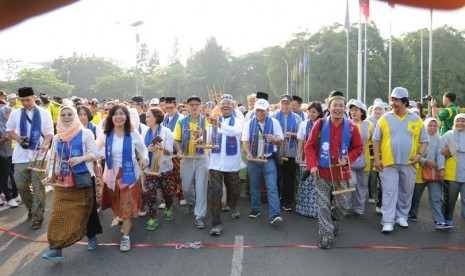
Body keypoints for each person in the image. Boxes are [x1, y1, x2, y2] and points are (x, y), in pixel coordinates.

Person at [41, 106, 102, 260]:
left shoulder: (85, 133)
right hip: (63, 181)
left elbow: (95, 153)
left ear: (74, 116)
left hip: (83, 179)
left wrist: (81, 159)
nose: (66, 117)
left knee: (88, 211)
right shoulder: (57, 137)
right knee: (57, 214)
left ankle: (92, 236)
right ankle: (56, 248)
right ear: (59, 117)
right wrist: (50, 176)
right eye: (63, 115)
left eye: (70, 114)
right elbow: (54, 160)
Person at [304, 90, 363, 249]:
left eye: (341, 106)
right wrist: (313, 165)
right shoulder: (320, 123)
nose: (337, 108)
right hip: (322, 173)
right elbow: (309, 146)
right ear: (329, 107)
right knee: (322, 205)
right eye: (334, 105)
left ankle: (333, 220)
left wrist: (348, 158)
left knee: (343, 205)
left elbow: (358, 147)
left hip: (341, 174)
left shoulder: (351, 127)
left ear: (345, 108)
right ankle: (326, 235)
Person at [373, 87, 429, 234]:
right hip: (388, 163)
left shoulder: (416, 120)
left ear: (404, 102)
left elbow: (424, 140)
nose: (393, 102)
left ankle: (402, 216)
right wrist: (377, 159)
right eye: (392, 99)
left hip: (409, 163)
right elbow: (376, 140)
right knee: (389, 192)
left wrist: (419, 155)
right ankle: (387, 221)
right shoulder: (384, 118)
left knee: (406, 191)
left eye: (396, 100)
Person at [97, 105, 148, 252]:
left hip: (130, 175)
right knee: (117, 202)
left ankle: (126, 237)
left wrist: (144, 159)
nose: (119, 117)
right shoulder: (106, 134)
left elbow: (143, 149)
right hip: (112, 175)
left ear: (127, 117)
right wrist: (89, 159)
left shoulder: (132, 133)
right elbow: (94, 149)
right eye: (115, 114)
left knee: (126, 205)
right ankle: (124, 219)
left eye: (122, 114)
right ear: (110, 117)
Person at [6, 87, 54, 229]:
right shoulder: (15, 113)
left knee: (38, 186)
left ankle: (38, 217)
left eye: (28, 99)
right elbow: (9, 129)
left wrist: (45, 145)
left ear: (34, 98)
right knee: (20, 184)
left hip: (39, 155)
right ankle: (32, 208)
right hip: (21, 154)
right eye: (22, 100)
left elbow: (50, 133)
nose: (25, 103)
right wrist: (19, 140)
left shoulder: (44, 113)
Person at [242, 98, 284, 226]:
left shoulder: (274, 122)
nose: (259, 113)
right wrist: (248, 153)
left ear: (267, 110)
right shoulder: (249, 123)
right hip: (254, 159)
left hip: (268, 159)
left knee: (272, 187)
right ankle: (256, 209)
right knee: (254, 187)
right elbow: (245, 141)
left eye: (262, 110)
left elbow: (280, 141)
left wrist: (275, 139)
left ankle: (275, 214)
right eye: (257, 110)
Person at [208, 97, 243, 236]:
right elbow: (209, 138)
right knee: (216, 193)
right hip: (215, 163)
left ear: (233, 107)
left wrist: (218, 125)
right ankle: (216, 223)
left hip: (231, 163)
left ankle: (233, 206)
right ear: (220, 108)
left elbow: (233, 132)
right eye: (223, 105)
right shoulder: (213, 123)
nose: (225, 106)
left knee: (233, 189)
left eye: (228, 105)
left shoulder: (239, 122)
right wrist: (200, 138)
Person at [173, 95, 209, 229]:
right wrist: (179, 151)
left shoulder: (205, 121)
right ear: (187, 106)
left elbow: (210, 139)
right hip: (187, 159)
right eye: (191, 104)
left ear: (201, 106)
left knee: (201, 187)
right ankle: (189, 201)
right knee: (187, 187)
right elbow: (176, 139)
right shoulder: (181, 122)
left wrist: (202, 134)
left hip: (201, 158)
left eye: (197, 104)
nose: (194, 106)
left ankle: (199, 216)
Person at [408, 118, 447, 229]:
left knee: (436, 197)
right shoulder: (418, 139)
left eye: (435, 125)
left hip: (434, 173)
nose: (433, 128)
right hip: (419, 171)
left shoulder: (440, 139)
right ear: (425, 126)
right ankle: (412, 213)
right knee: (415, 195)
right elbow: (413, 154)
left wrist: (441, 168)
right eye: (430, 125)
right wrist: (425, 161)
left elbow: (441, 155)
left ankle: (439, 220)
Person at [141, 108, 175, 230]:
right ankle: (153, 217)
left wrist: (161, 148)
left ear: (156, 118)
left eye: (149, 117)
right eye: (146, 117)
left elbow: (170, 151)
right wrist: (147, 150)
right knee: (150, 193)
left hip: (164, 167)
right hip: (150, 168)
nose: (146, 119)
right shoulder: (144, 132)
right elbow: (140, 149)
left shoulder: (167, 132)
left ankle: (169, 208)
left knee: (166, 192)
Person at [271, 94, 303, 211]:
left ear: (291, 105)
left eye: (287, 103)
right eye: (283, 103)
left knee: (289, 177)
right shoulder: (273, 117)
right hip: (276, 152)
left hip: (291, 152)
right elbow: (269, 132)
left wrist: (291, 134)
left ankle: (286, 201)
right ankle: (275, 200)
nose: (285, 105)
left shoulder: (297, 118)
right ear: (280, 104)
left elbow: (301, 135)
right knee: (276, 176)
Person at [295, 101, 323, 218]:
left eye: (314, 112)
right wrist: (298, 154)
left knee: (317, 184)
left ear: (319, 113)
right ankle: (303, 209)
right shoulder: (304, 124)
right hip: (306, 156)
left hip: (319, 157)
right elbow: (301, 140)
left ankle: (316, 210)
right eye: (310, 111)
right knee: (304, 183)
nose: (312, 114)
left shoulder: (323, 124)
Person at [347, 100, 373, 218]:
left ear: (362, 112)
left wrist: (375, 157)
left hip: (364, 160)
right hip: (348, 160)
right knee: (350, 183)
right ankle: (346, 207)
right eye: (352, 110)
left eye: (356, 110)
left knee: (362, 186)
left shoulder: (369, 125)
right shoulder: (346, 124)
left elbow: (373, 142)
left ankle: (359, 209)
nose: (353, 112)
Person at [441, 113, 465, 228]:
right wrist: (441, 168)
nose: (460, 123)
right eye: (458, 121)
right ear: (454, 122)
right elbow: (440, 153)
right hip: (452, 173)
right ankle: (447, 219)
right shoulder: (448, 135)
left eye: (463, 121)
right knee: (450, 199)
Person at [161, 97, 186, 206]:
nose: (169, 109)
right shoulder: (165, 117)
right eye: (167, 107)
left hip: (177, 151)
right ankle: (166, 199)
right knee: (166, 176)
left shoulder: (182, 118)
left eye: (171, 107)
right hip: (166, 151)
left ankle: (182, 196)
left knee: (180, 175)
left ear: (176, 106)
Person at [367, 101, 385, 209]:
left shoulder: (386, 120)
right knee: (372, 176)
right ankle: (372, 195)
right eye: (376, 109)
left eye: (380, 109)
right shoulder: (368, 121)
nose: (377, 111)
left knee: (382, 177)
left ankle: (380, 198)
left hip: (384, 152)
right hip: (371, 152)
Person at [0, 106, 19, 207]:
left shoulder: (11, 125)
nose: (10, 115)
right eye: (8, 113)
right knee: (4, 177)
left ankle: (15, 195)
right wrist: (3, 140)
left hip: (12, 154)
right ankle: (8, 198)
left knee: (14, 175)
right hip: (2, 155)